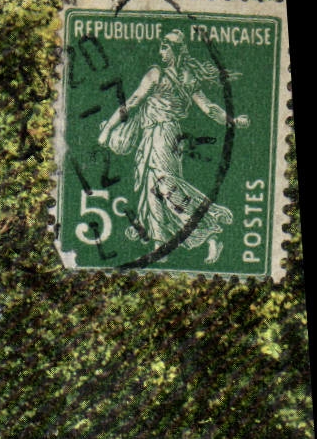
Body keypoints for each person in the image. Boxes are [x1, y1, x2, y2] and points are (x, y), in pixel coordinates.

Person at [98, 30, 249, 264]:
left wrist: (108, 129)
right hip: (159, 135)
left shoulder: (160, 75)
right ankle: (160, 245)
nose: (161, 52)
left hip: (163, 134)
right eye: (160, 47)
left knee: (165, 186)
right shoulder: (185, 76)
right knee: (153, 188)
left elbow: (134, 102)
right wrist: (232, 121)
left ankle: (208, 235)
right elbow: (207, 108)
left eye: (165, 48)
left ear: (176, 50)